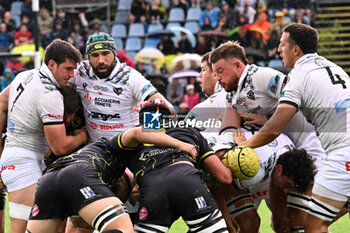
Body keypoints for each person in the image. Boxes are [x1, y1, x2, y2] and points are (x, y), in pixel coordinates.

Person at [235, 23, 350, 233]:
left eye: (282, 44)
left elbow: (273, 129)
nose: (279, 49)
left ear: (295, 49)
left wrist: (245, 145)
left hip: (343, 153)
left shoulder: (298, 76)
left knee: (313, 225)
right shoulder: (334, 68)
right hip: (341, 150)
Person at [210, 40, 327, 232]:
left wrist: (267, 119)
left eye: (220, 70)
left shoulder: (261, 76)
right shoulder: (233, 94)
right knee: (281, 223)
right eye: (214, 72)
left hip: (310, 147)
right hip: (286, 152)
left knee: (304, 223)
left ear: (238, 65)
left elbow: (299, 96)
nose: (217, 77)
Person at [26, 125, 197, 233]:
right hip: (78, 173)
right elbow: (138, 132)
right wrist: (181, 144)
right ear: (120, 181)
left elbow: (80, 225)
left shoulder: (96, 179)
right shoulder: (112, 147)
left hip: (48, 178)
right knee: (123, 229)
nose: (122, 201)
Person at [0, 39, 88, 233]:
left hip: (17, 159)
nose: (71, 75)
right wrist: (83, 137)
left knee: (52, 221)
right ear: (51, 64)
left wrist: (1, 151)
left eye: (74, 69)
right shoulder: (50, 94)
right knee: (22, 228)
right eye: (68, 69)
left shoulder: (24, 75)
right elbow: (60, 147)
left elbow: (1, 103)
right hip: (23, 164)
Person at [126, 99, 232, 232]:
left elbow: (121, 178)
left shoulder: (131, 138)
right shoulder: (189, 131)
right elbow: (225, 177)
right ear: (170, 118)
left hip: (153, 189)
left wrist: (135, 185)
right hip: (187, 181)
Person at [70, 32, 174, 143]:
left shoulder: (131, 77)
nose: (101, 60)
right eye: (95, 55)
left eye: (105, 54)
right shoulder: (80, 72)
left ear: (114, 54)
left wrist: (150, 113)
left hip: (128, 149)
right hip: (95, 151)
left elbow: (170, 110)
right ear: (88, 57)